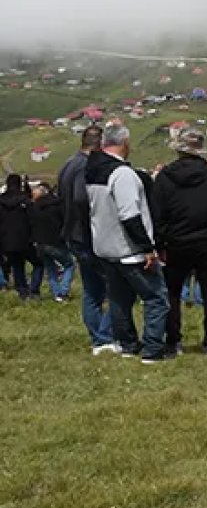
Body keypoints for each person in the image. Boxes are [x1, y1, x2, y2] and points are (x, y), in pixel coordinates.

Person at [86, 124, 171, 363]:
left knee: (119, 299)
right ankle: (153, 349)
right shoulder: (122, 174)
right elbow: (130, 215)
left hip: (105, 246)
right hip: (129, 249)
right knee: (155, 298)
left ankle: (128, 345)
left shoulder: (92, 171)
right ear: (125, 143)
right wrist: (147, 248)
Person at [152, 129, 207, 357]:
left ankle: (173, 342)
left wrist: (160, 245)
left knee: (172, 294)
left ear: (178, 150)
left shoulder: (164, 178)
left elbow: (157, 215)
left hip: (176, 243)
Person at [58, 126, 116, 353]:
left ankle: (98, 337)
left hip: (72, 233)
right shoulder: (85, 166)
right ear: (100, 144)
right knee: (117, 288)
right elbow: (82, 198)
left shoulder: (68, 165)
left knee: (92, 290)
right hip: (87, 234)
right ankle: (104, 336)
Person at [30, 183, 74, 302]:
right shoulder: (57, 205)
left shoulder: (34, 207)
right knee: (69, 264)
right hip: (55, 241)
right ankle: (63, 292)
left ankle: (56, 293)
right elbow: (65, 222)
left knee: (51, 269)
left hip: (40, 243)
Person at [0, 174, 35, 299]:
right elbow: (32, 218)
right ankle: (29, 289)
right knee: (34, 263)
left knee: (14, 264)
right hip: (24, 237)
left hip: (5, 239)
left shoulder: (1, 200)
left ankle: (18, 288)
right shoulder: (24, 200)